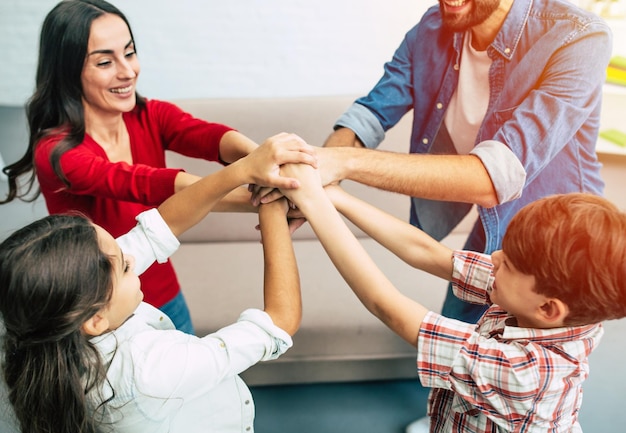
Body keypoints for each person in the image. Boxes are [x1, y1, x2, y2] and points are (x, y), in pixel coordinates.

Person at [278, 161, 626, 433]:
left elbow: (387, 306)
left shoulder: (525, 374)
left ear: (549, 309)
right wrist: (334, 198)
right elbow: (427, 252)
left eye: (510, 262)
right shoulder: (548, 299)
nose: (494, 257)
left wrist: (313, 203)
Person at [0, 133, 310, 433]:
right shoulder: (151, 372)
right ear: (95, 319)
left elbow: (161, 226)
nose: (131, 259)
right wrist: (273, 205)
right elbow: (279, 321)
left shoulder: (42, 317)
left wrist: (242, 171)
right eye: (123, 267)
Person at [0, 0, 266, 334]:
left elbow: (207, 136)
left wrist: (262, 158)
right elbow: (148, 183)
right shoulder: (57, 152)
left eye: (129, 52)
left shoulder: (149, 114)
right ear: (68, 70)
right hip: (101, 316)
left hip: (165, 297)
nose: (127, 71)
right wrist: (260, 197)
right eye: (105, 61)